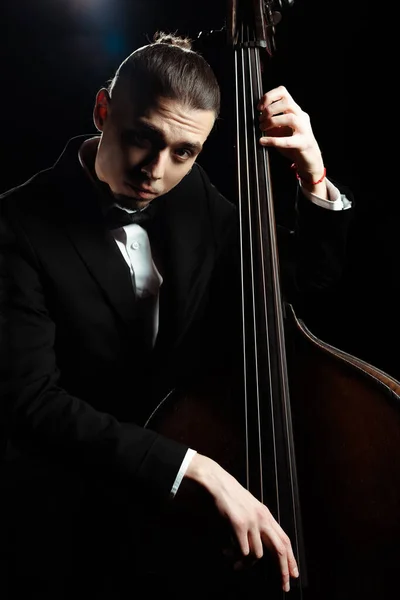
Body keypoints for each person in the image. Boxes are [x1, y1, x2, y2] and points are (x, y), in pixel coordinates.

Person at [0, 31, 353, 599]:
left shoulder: (189, 196)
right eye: (143, 138)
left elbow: (289, 284)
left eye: (183, 153)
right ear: (102, 110)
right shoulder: (16, 226)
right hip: (66, 523)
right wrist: (195, 467)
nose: (155, 170)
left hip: (176, 528)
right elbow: (28, 401)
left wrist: (313, 177)